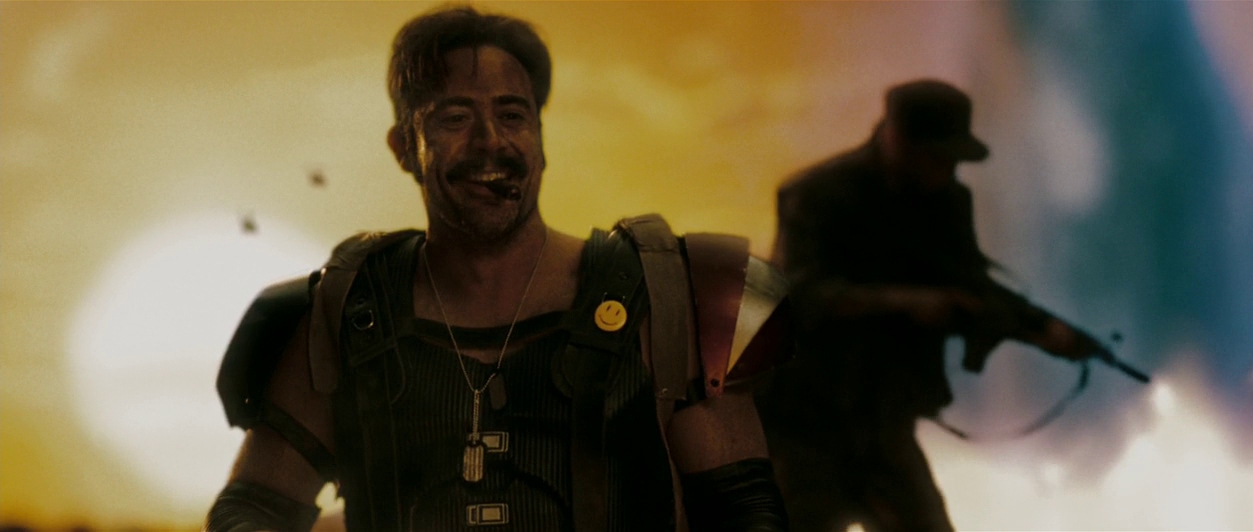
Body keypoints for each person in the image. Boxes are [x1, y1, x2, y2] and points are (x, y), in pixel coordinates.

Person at [205, 7, 791, 532]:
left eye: (513, 115)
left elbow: (743, 512)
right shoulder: (350, 313)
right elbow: (253, 507)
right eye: (455, 118)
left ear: (540, 140)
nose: (491, 142)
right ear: (404, 147)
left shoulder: (661, 302)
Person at [757, 79, 1107, 532]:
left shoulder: (947, 202)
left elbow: (970, 287)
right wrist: (904, 303)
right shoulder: (816, 195)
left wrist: (1042, 329)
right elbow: (799, 297)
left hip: (884, 425)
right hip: (804, 425)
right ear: (899, 140)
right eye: (938, 157)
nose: (947, 170)